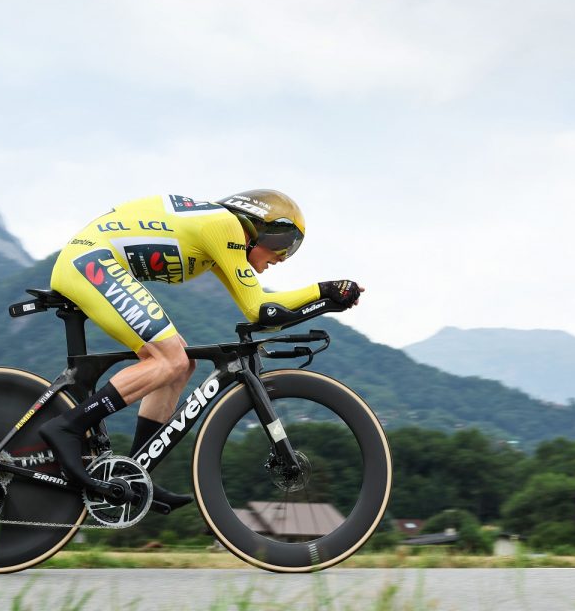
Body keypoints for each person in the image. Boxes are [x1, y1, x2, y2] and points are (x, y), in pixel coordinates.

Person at [38, 190, 363, 513]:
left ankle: (135, 474)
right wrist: (324, 291)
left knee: (181, 364)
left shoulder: (221, 237)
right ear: (264, 232)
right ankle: (68, 425)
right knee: (171, 358)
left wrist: (326, 303)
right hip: (90, 263)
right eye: (278, 255)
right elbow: (260, 310)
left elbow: (264, 313)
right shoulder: (224, 228)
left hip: (92, 261)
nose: (273, 265)